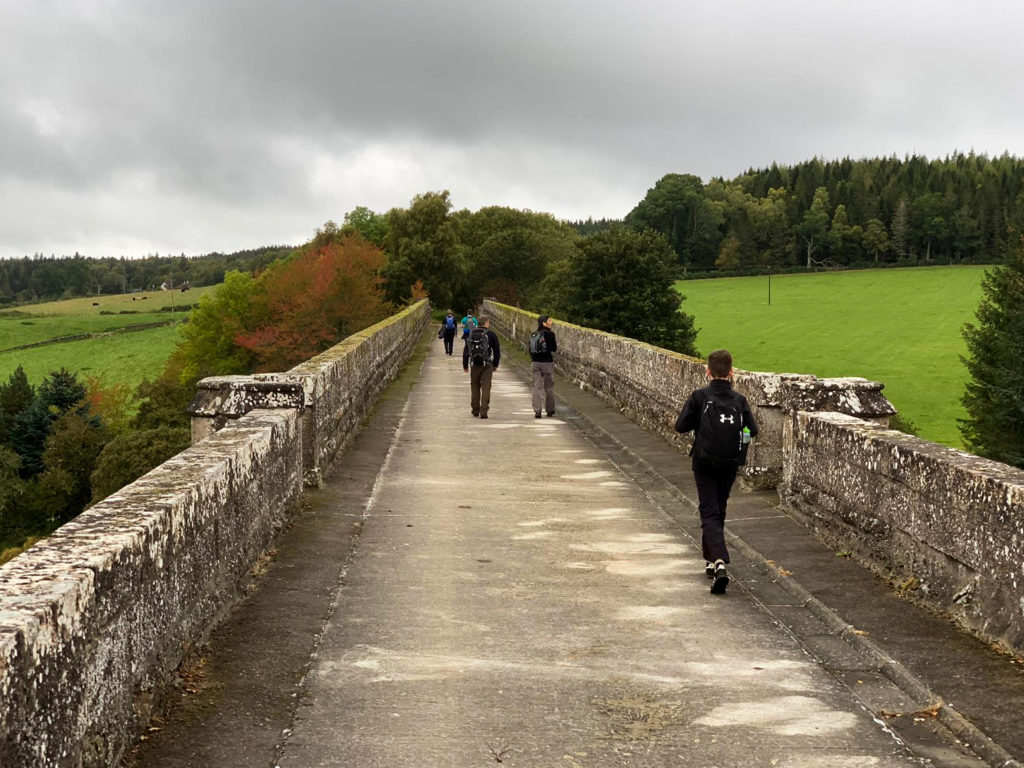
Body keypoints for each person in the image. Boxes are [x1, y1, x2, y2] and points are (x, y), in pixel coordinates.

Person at [674, 349, 758, 595]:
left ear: (708, 371)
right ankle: (711, 561)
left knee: (709, 511)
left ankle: (719, 561)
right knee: (718, 508)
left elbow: (681, 426)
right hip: (730, 462)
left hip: (704, 462)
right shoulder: (739, 400)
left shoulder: (700, 396)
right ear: (731, 373)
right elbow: (752, 430)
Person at [462, 316, 500, 419]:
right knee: (486, 387)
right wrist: (495, 364)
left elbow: (466, 350)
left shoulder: (471, 334)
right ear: (486, 323)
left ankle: (475, 409)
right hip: (487, 365)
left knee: (474, 386)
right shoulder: (491, 334)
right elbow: (497, 350)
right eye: (488, 322)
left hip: (474, 364)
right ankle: (484, 410)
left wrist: (465, 365)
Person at [529, 315, 557, 418]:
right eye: (549, 321)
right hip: (547, 363)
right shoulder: (550, 334)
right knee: (549, 387)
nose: (551, 322)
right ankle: (550, 410)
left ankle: (537, 411)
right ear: (544, 323)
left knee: (536, 387)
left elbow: (530, 349)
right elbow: (554, 348)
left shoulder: (534, 334)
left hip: (535, 362)